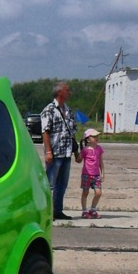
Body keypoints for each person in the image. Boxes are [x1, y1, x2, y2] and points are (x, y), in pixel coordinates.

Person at [41, 81, 79, 220]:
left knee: (62, 184)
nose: (70, 93)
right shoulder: (49, 110)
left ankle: (57, 211)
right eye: (67, 90)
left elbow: (72, 132)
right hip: (55, 153)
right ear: (59, 92)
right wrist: (48, 152)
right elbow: (45, 131)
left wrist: (76, 152)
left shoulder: (68, 110)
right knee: (50, 184)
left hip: (66, 152)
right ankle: (47, 212)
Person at [78, 128, 104, 219]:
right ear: (88, 139)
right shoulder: (85, 150)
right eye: (94, 136)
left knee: (98, 193)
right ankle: (84, 211)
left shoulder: (99, 148)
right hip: (86, 175)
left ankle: (92, 209)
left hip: (96, 175)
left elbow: (101, 162)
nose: (96, 138)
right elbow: (79, 159)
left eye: (97, 136)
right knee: (85, 192)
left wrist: (102, 173)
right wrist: (77, 151)